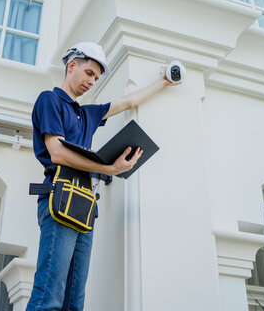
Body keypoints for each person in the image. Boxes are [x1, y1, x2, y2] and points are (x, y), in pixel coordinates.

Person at [27, 41, 178, 311]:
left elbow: (128, 102)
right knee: (48, 298)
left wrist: (163, 82)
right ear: (71, 66)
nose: (92, 81)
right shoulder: (49, 100)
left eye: (96, 78)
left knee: (74, 303)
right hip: (60, 197)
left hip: (85, 205)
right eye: (88, 73)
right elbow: (57, 153)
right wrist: (108, 169)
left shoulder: (87, 114)